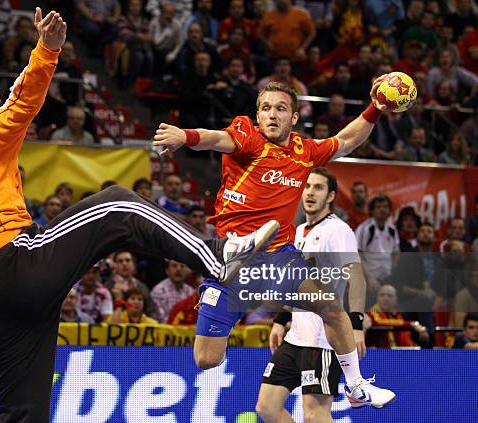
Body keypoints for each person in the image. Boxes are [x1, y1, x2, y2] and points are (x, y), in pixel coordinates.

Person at [0, 9, 277, 421]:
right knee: (119, 204)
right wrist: (47, 49)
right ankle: (220, 257)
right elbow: (22, 101)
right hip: (11, 266)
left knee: (21, 413)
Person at [153, 77, 399, 407]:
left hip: (277, 257)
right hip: (232, 260)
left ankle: (356, 386)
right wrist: (186, 136)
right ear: (257, 115)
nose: (272, 114)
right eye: (265, 108)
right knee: (206, 359)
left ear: (294, 118)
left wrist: (375, 108)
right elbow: (217, 139)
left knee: (332, 309)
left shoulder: (303, 152)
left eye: (281, 109)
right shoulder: (247, 137)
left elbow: (346, 141)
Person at [257, 167, 368, 422]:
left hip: (323, 341)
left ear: (330, 196)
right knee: (267, 407)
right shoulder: (296, 232)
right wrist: (280, 320)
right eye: (306, 186)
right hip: (295, 338)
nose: (309, 192)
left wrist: (356, 323)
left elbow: (357, 279)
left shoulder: (338, 230)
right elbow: (294, 285)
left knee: (314, 415)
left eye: (318, 187)